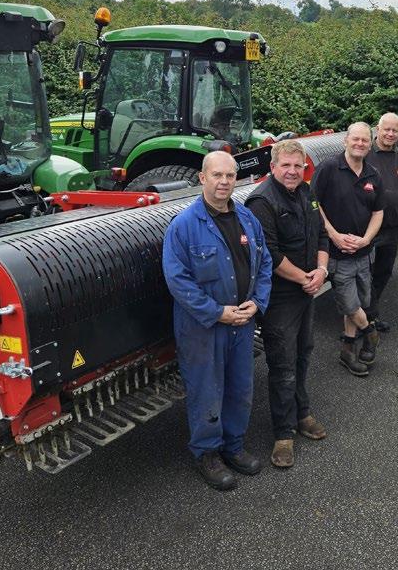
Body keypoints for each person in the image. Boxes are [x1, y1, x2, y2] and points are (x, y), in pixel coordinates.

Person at [162, 151, 272, 491]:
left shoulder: (247, 219)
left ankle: (233, 447)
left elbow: (264, 263)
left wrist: (257, 303)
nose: (224, 182)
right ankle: (207, 453)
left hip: (242, 322)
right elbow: (177, 280)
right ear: (202, 178)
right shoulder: (183, 226)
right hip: (203, 327)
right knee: (206, 390)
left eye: (230, 175)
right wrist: (216, 312)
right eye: (217, 175)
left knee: (240, 388)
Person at [245, 140, 329, 469]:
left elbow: (321, 235)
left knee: (304, 352)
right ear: (273, 167)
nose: (293, 171)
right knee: (282, 363)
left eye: (298, 165)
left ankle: (301, 413)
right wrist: (306, 278)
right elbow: (269, 254)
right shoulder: (262, 201)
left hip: (307, 288)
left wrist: (321, 271)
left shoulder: (307, 192)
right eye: (286, 165)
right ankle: (283, 434)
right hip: (280, 296)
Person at [312, 122, 384, 377]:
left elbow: (378, 212)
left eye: (365, 140)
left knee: (360, 301)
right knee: (349, 303)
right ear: (346, 141)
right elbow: (314, 203)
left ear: (370, 144)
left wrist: (366, 240)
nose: (360, 144)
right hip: (337, 253)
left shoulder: (373, 174)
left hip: (363, 253)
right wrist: (333, 235)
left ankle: (347, 349)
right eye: (355, 139)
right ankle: (370, 333)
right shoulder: (328, 168)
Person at [364, 112, 398, 332]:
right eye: (387, 129)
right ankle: (361, 319)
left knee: (383, 273)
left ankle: (370, 315)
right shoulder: (365, 154)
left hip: (391, 228)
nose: (391, 134)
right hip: (367, 230)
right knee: (364, 275)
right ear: (378, 129)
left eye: (395, 130)